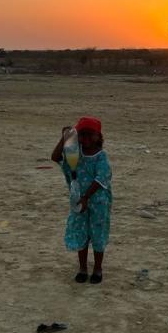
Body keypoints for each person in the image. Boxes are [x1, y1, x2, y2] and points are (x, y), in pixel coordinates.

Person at [50, 116, 112, 283]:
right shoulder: (74, 154)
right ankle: (83, 268)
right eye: (81, 135)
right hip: (78, 202)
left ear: (99, 136)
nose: (85, 139)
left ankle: (98, 268)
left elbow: (101, 179)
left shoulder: (101, 157)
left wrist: (86, 197)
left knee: (98, 234)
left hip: (98, 202)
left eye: (89, 135)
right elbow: (55, 157)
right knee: (81, 233)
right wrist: (64, 138)